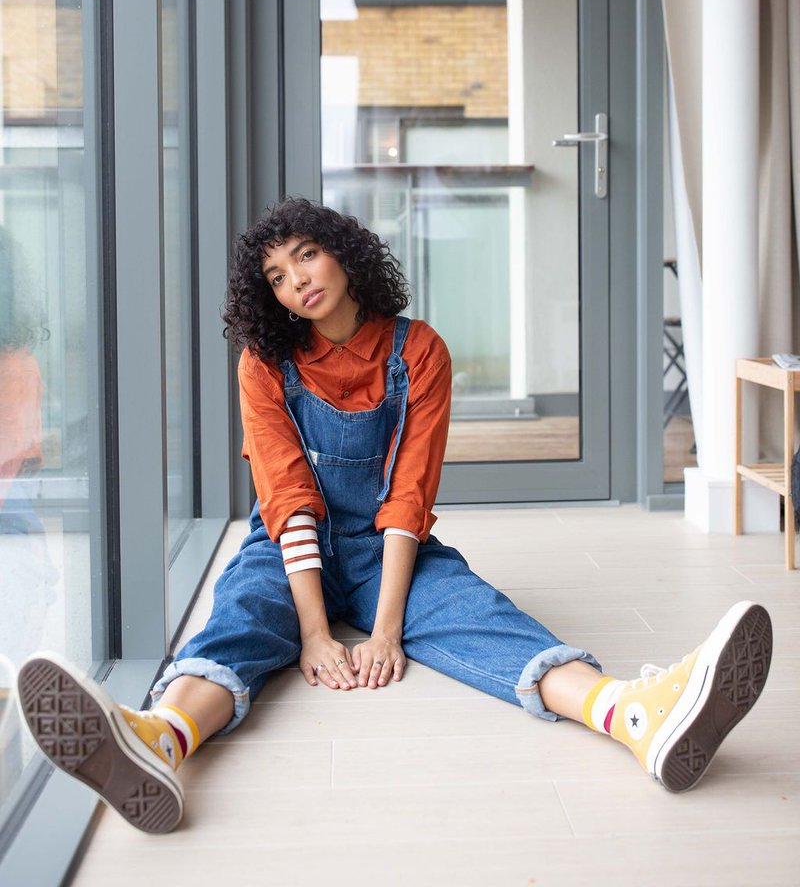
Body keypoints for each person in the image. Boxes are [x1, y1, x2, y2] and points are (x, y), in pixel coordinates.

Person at [17, 198, 773, 835]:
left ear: (345, 255)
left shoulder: (421, 351)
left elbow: (411, 492)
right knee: (243, 614)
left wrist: (384, 630)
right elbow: (286, 495)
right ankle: (160, 739)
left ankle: (635, 717)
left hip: (391, 543)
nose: (296, 283)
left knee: (482, 614)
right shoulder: (264, 363)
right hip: (290, 542)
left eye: (307, 257)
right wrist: (315, 633)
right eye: (276, 277)